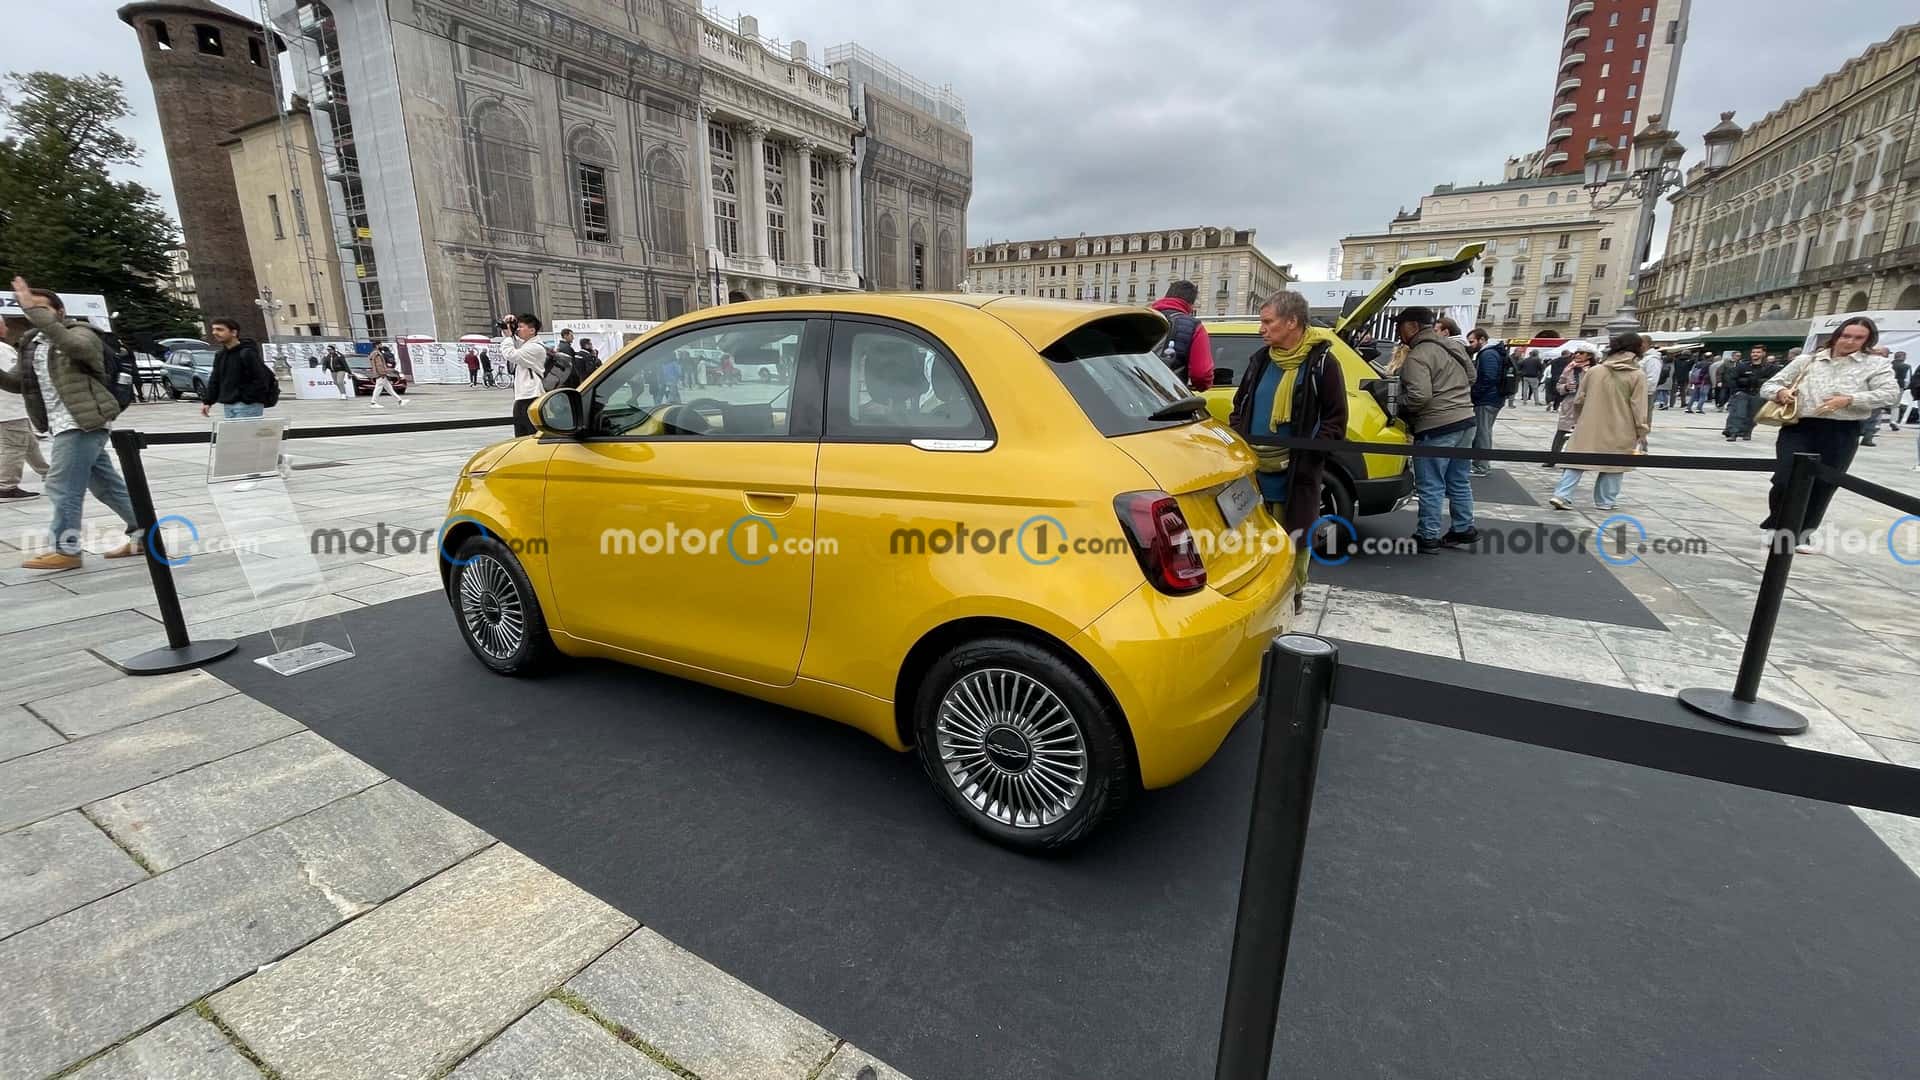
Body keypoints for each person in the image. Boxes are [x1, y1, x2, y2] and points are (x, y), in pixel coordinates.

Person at [1, 277, 141, 570]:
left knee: (60, 484)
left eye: (40, 309)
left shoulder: (83, 333)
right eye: (28, 309)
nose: (32, 313)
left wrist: (31, 307)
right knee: (107, 486)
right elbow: (18, 383)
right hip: (59, 423)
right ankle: (146, 536)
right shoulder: (31, 343)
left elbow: (78, 350)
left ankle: (66, 550)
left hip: (83, 420)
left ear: (60, 312)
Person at [1226, 290, 1346, 608]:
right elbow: (1241, 404)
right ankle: (1262, 590)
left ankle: (1294, 591)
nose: (1261, 329)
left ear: (1291, 322)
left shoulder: (1322, 363)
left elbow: (1335, 420)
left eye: (1267, 322)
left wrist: (1309, 453)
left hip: (1296, 470)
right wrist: (1240, 436)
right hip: (1256, 467)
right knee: (1257, 535)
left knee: (1295, 535)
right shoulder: (1261, 360)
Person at [1758, 316, 1898, 553]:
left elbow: (1890, 394)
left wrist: (1850, 399)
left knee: (1824, 483)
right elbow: (1768, 386)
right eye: (1846, 335)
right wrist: (1781, 392)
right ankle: (1777, 524)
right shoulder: (1808, 360)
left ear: (1867, 340)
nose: (1850, 341)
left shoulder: (1875, 365)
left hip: (1842, 430)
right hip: (1799, 426)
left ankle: (1802, 534)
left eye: (1858, 338)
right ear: (1837, 336)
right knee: (1784, 478)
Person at [1393, 306, 1477, 553]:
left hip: (1437, 425)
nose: (1399, 331)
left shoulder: (1418, 355)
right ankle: (1463, 529)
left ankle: (1427, 535)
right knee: (1459, 480)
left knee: (1431, 483)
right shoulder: (1452, 345)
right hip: (1466, 419)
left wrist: (1398, 404)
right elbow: (1471, 376)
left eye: (1400, 325)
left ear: (1412, 326)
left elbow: (1419, 396)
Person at [1549, 333, 1651, 511]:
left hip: (1590, 422)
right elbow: (1639, 406)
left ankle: (1562, 495)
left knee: (1577, 460)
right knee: (1614, 465)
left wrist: (1581, 418)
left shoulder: (1595, 371)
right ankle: (1605, 501)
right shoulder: (1637, 375)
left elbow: (1579, 399)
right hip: (1622, 426)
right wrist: (1641, 430)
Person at [0, 317, 50, 500]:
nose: (7, 328)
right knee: (14, 447)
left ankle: (48, 472)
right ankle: (6, 486)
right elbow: (13, 379)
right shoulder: (3, 350)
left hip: (9, 410)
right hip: (9, 408)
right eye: (4, 325)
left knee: (28, 443)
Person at [198, 317, 274, 420]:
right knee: (235, 435)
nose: (215, 332)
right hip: (229, 405)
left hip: (247, 405)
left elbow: (261, 379)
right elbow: (215, 380)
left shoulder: (247, 353)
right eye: (214, 329)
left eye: (220, 329)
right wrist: (208, 402)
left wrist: (246, 397)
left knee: (245, 435)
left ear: (233, 332)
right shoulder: (220, 355)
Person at [1148, 281, 1215, 390]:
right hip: (1169, 395)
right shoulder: (1194, 327)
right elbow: (1201, 374)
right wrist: (1202, 386)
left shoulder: (1142, 318)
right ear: (1191, 305)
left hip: (1134, 395)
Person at [1543, 342, 1598, 468]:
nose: (1577, 355)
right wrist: (1566, 387)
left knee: (1583, 432)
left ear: (1589, 356)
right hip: (1570, 403)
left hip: (1586, 404)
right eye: (1576, 353)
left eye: (1581, 353)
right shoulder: (1570, 368)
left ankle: (1580, 459)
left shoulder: (1594, 370)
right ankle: (1553, 458)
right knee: (1562, 430)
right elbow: (1559, 385)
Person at [1466, 327, 1507, 478]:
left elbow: (1488, 378)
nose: (1470, 345)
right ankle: (1481, 464)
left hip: (1487, 399)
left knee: (1482, 432)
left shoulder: (1488, 354)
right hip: (1491, 398)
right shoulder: (1492, 353)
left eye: (1472, 341)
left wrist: (1475, 393)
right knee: (1484, 431)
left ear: (1482, 340)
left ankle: (1481, 466)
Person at [502, 314, 548, 436]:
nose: (518, 329)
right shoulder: (527, 345)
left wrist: (508, 337)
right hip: (524, 396)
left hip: (531, 396)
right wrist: (509, 324)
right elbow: (515, 343)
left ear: (532, 330)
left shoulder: (535, 348)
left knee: (530, 436)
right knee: (521, 436)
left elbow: (511, 354)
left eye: (521, 327)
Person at [1723, 345, 1767, 441]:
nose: (1755, 354)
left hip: (1758, 394)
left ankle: (1747, 432)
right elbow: (1731, 378)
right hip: (1742, 392)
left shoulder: (1769, 368)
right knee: (1738, 413)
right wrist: (1736, 391)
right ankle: (1733, 433)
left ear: (1764, 354)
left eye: (1758, 352)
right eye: (1753, 352)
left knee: (1753, 415)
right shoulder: (1742, 366)